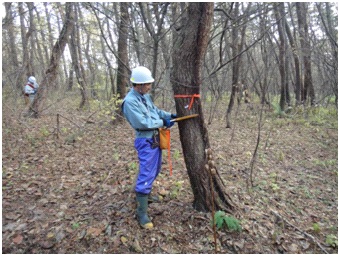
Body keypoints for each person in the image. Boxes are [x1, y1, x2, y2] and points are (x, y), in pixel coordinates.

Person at [122, 66, 176, 229]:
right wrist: (162, 123)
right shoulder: (130, 102)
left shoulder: (145, 97)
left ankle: (147, 195)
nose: (149, 87)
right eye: (146, 84)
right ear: (137, 85)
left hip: (155, 138)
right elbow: (142, 123)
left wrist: (169, 116)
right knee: (146, 173)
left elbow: (156, 112)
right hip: (145, 141)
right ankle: (142, 213)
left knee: (156, 169)